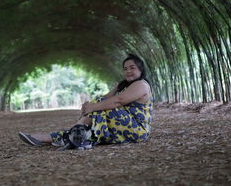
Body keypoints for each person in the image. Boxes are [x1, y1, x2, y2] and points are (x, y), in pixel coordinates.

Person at [18, 54, 153, 147]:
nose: (128, 71)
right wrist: (89, 106)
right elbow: (106, 98)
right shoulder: (123, 85)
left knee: (100, 105)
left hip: (137, 131)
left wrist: (93, 107)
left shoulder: (141, 85)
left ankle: (69, 136)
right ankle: (68, 136)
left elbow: (118, 101)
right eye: (125, 69)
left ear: (141, 69)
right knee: (99, 102)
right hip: (122, 126)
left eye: (132, 68)